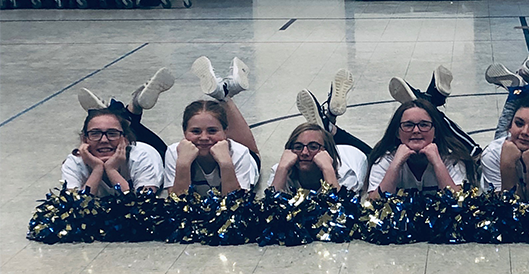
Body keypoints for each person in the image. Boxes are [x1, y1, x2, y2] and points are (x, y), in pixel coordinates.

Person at [62, 68, 174, 196]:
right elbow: (75, 207)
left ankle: (123, 110)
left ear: (125, 139)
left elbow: (141, 205)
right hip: (126, 141)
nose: (104, 140)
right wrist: (97, 170)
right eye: (95, 134)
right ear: (84, 139)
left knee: (121, 127)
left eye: (112, 134)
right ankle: (131, 107)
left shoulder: (142, 157)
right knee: (116, 124)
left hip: (156, 153)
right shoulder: (75, 161)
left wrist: (111, 170)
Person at [163, 56, 259, 195]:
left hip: (244, 158)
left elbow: (237, 204)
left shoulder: (239, 153)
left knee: (253, 153)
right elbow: (176, 203)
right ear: (184, 133)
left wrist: (226, 164)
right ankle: (223, 94)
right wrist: (183, 165)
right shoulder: (174, 152)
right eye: (195, 131)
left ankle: (224, 95)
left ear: (226, 131)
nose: (204, 137)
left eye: (212, 131)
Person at [268, 69, 369, 193]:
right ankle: (328, 127)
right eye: (298, 147)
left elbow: (341, 208)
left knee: (378, 155)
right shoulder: (281, 170)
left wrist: (327, 169)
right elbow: (268, 207)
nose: (304, 152)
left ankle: (328, 127)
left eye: (313, 147)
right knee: (322, 135)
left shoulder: (344, 174)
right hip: (331, 147)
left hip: (356, 152)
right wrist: (282, 169)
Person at [366, 98, 476, 199]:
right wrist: (395, 165)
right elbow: (374, 205)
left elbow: (460, 203)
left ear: (435, 131)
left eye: (424, 125)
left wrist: (437, 163)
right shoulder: (385, 160)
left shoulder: (451, 159)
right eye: (408, 125)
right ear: (397, 133)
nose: (416, 130)